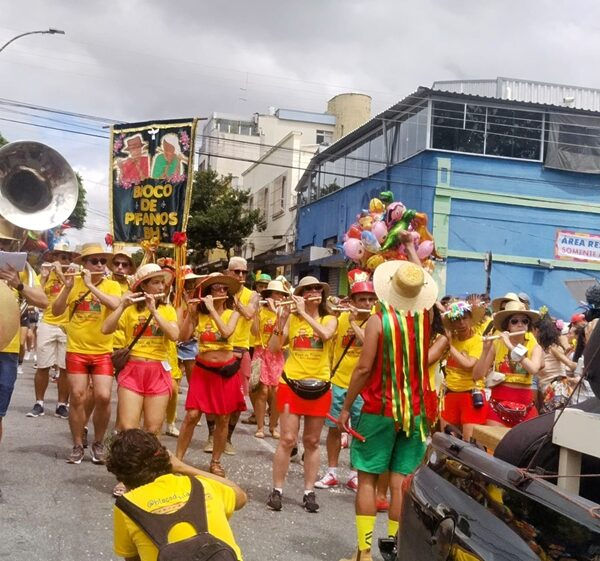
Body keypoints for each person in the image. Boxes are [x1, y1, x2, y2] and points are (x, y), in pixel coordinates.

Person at [337, 259, 439, 561]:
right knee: (401, 481)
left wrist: (345, 407)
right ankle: (394, 548)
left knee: (367, 478)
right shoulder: (424, 321)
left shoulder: (377, 321)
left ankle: (364, 553)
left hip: (378, 409)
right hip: (415, 411)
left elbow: (364, 367)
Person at [106, 429, 246, 561]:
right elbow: (241, 497)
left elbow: (131, 557)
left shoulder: (127, 506)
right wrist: (181, 466)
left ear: (121, 476)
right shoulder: (203, 485)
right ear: (166, 458)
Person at [266, 275, 338, 514]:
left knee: (312, 441)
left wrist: (304, 313)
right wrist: (282, 318)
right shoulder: (292, 320)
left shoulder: (330, 319)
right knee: (287, 439)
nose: (313, 292)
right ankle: (277, 490)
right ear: (300, 293)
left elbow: (326, 335)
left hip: (319, 387)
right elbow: (274, 348)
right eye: (307, 289)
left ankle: (309, 491)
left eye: (318, 288)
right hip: (291, 385)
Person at [52, 243, 121, 465]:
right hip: (77, 349)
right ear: (84, 263)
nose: (99, 265)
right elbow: (56, 310)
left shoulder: (111, 286)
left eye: (103, 261)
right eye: (94, 261)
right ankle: (77, 443)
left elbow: (115, 304)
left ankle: (98, 443)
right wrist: (68, 286)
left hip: (102, 350)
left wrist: (91, 286)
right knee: (78, 396)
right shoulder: (74, 282)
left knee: (102, 396)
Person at [175, 273, 244, 478]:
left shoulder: (233, 312)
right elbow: (183, 336)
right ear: (208, 292)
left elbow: (226, 332)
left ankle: (215, 461)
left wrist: (212, 308)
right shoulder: (201, 314)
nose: (221, 292)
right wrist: (191, 313)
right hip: (203, 370)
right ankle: (178, 459)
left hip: (225, 372)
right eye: (216, 289)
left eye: (225, 289)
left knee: (223, 418)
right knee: (192, 416)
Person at [315, 269, 377, 492]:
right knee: (334, 428)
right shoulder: (338, 319)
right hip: (339, 381)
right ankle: (331, 471)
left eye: (371, 299)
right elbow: (330, 350)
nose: (367, 303)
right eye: (362, 299)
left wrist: (353, 324)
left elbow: (371, 346)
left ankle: (354, 474)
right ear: (352, 300)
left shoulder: (376, 322)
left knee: (359, 433)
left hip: (365, 386)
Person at [102, 264, 179, 434]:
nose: (160, 287)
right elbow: (106, 329)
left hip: (158, 370)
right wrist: (122, 306)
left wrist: (155, 312)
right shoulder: (130, 309)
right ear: (143, 286)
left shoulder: (167, 310)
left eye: (162, 283)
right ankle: (128, 460)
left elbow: (174, 335)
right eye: (155, 283)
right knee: (128, 428)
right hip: (133, 370)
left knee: (152, 429)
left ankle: (149, 461)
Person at [0, 218, 48, 445]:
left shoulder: (24, 270)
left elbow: (43, 301)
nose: (1, 246)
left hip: (6, 350)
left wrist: (18, 285)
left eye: (5, 243)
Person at [27, 243, 80, 419]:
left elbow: (72, 291)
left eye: (66, 257)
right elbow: (35, 298)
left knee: (64, 368)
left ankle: (61, 404)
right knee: (43, 366)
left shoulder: (74, 275)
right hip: (48, 323)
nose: (63, 260)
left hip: (68, 325)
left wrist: (63, 275)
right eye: (60, 256)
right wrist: (43, 278)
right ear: (54, 258)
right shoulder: (46, 274)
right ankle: (39, 403)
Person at [212, 257, 259, 456]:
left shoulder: (252, 295)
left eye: (244, 273)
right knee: (214, 395)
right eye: (236, 272)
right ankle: (211, 435)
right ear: (227, 273)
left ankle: (228, 437)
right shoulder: (219, 291)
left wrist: (235, 299)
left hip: (241, 349)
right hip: (219, 348)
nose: (241, 276)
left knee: (238, 398)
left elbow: (249, 314)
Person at [473, 298, 542, 428]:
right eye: (514, 321)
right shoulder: (497, 343)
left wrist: (511, 346)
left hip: (525, 408)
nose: (520, 324)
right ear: (508, 326)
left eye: (524, 321)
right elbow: (477, 376)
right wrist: (485, 350)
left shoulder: (535, 346)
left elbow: (534, 369)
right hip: (498, 407)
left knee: (525, 447)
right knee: (494, 447)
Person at [439, 300, 488, 442]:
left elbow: (468, 364)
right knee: (446, 443)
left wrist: (449, 346)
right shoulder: (449, 339)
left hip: (470, 395)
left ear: (470, 318)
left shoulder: (478, 340)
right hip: (449, 394)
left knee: (470, 445)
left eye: (464, 318)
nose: (461, 323)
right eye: (456, 319)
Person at [251, 279, 289, 439]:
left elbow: (285, 334)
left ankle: (273, 426)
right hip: (261, 352)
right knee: (262, 391)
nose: (279, 297)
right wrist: (254, 312)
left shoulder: (286, 313)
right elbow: (253, 331)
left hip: (277, 354)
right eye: (276, 294)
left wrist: (277, 312)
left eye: (282, 294)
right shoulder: (260, 311)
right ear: (269, 295)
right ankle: (260, 426)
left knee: (277, 392)